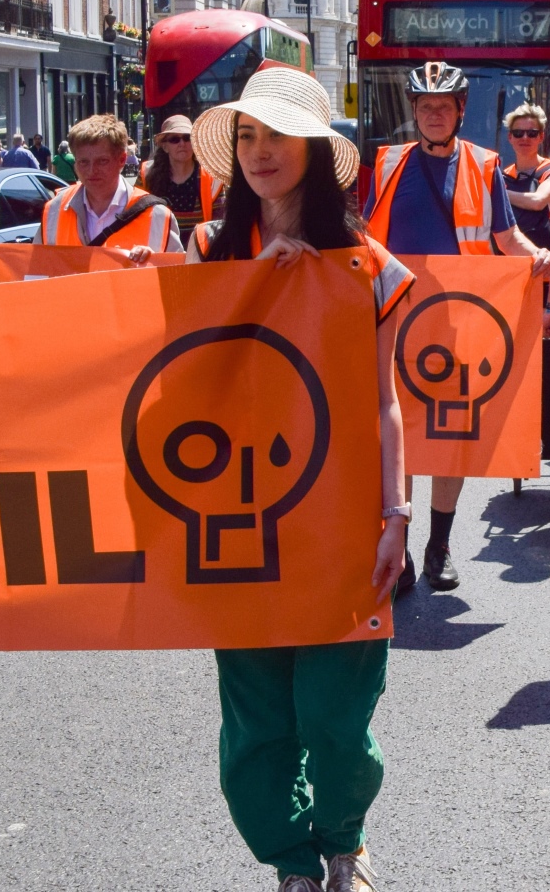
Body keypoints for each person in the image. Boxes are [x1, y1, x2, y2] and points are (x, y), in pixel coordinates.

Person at [185, 68, 413, 892]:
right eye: (247, 136)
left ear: (316, 152)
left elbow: (385, 402)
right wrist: (246, 291)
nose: (259, 152)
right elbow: (178, 392)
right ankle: (290, 862)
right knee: (254, 727)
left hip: (344, 522)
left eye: (277, 135)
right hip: (237, 523)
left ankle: (343, 839)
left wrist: (398, 513)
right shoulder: (207, 257)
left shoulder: (369, 269)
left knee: (337, 721)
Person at [364, 60, 550, 594]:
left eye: (443, 106)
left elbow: (507, 238)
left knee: (450, 433)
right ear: (414, 111)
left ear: (460, 111)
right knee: (398, 432)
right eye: (424, 106)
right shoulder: (386, 164)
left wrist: (536, 254)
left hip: (461, 319)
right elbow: (362, 239)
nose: (433, 114)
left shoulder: (484, 164)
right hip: (396, 317)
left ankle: (439, 546)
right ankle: (396, 545)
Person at [37, 115, 183, 254]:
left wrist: (156, 263)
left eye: (102, 161)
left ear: (122, 160)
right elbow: (34, 274)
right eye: (83, 162)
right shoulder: (54, 211)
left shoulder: (157, 215)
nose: (91, 170)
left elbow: (178, 276)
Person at [141, 114, 221, 235]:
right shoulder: (146, 173)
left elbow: (219, 222)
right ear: (165, 147)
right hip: (158, 252)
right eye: (174, 139)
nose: (182, 143)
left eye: (187, 138)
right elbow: (135, 217)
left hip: (200, 251)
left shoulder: (213, 177)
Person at [500, 103, 550, 250]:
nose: (524, 138)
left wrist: (498, 193)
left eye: (532, 133)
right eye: (518, 133)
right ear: (510, 137)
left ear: (541, 137)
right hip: (513, 256)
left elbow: (538, 201)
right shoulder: (504, 175)